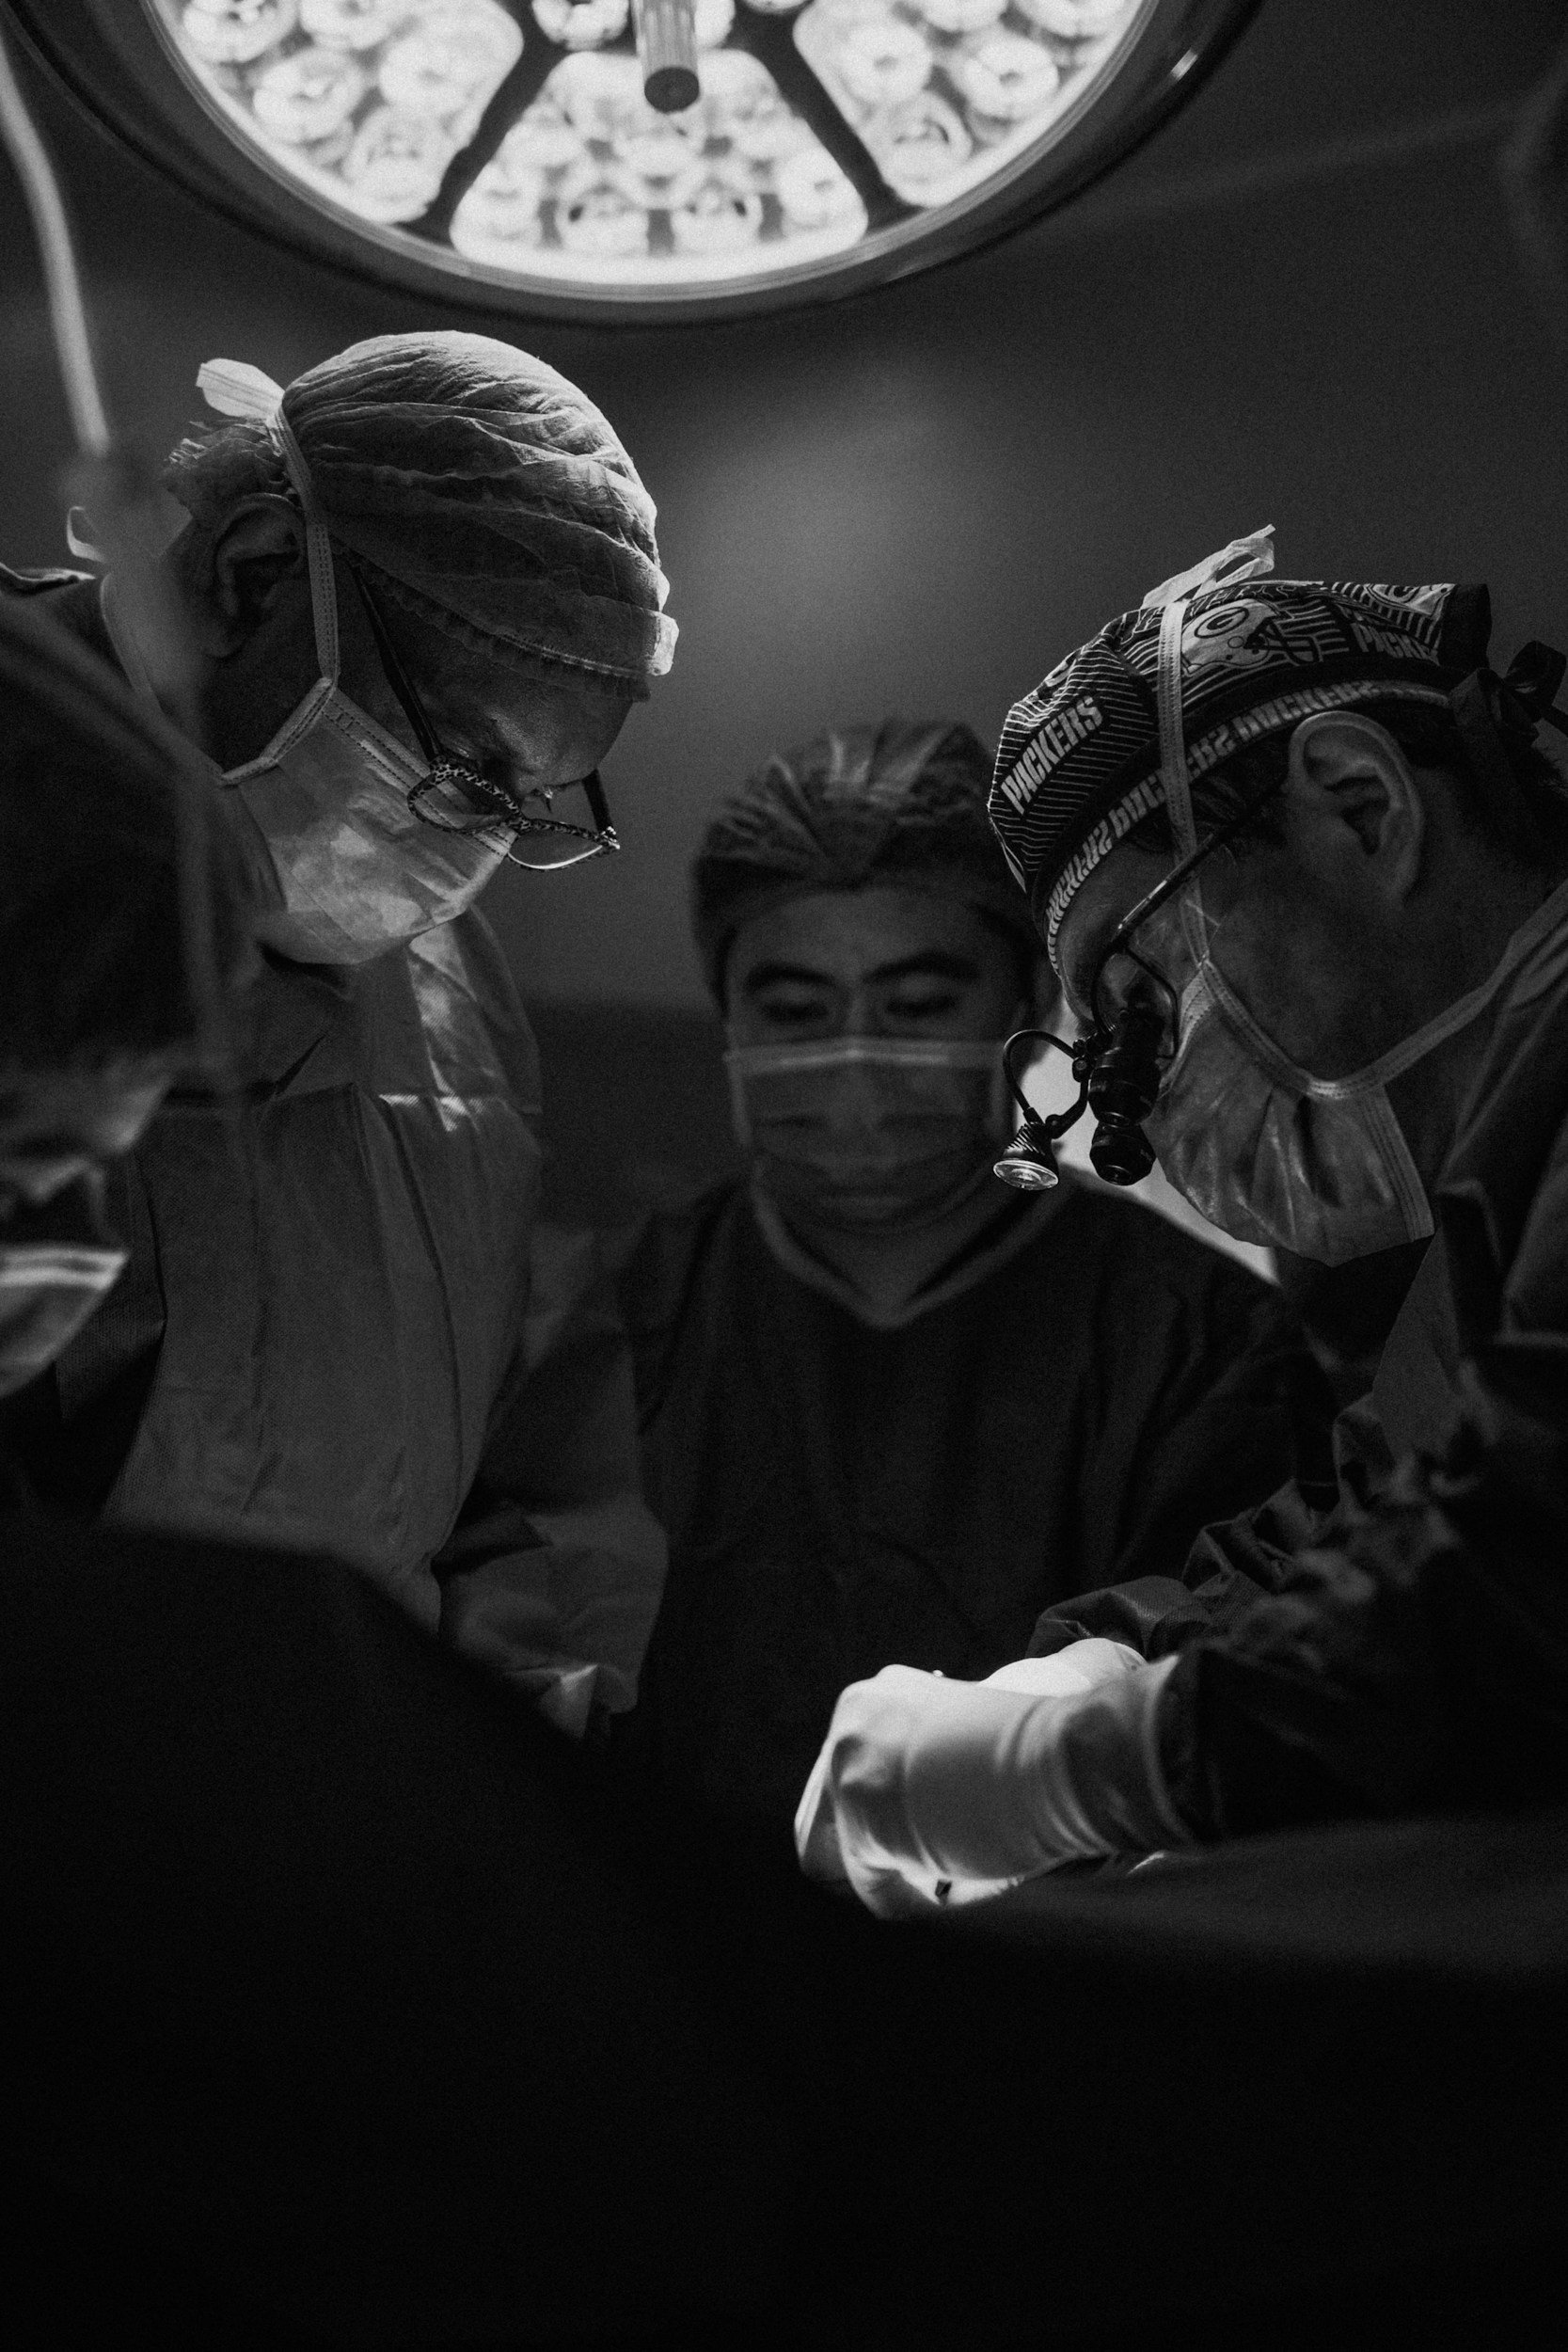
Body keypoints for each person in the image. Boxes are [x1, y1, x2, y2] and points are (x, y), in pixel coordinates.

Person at [796, 535, 1568, 1915]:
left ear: (1358, 806)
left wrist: (1108, 1760)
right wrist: (1100, 1663)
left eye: (1142, 1012)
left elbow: (1516, 1595)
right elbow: (1376, 1521)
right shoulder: (1497, 1204)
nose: (1137, 1110)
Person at [0, 331, 677, 1730]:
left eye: (527, 807)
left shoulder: (447, 990)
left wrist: (502, 1740)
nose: (469, 849)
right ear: (252, 576)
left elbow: (501, 1464)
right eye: (466, 768)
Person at [617, 716, 1326, 1826]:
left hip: (1049, 1965)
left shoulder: (1193, 1342)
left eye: (915, 1005)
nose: (854, 1052)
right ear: (728, 1016)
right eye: (795, 1010)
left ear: (1028, 1010)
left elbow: (1244, 1698)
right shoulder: (627, 1307)